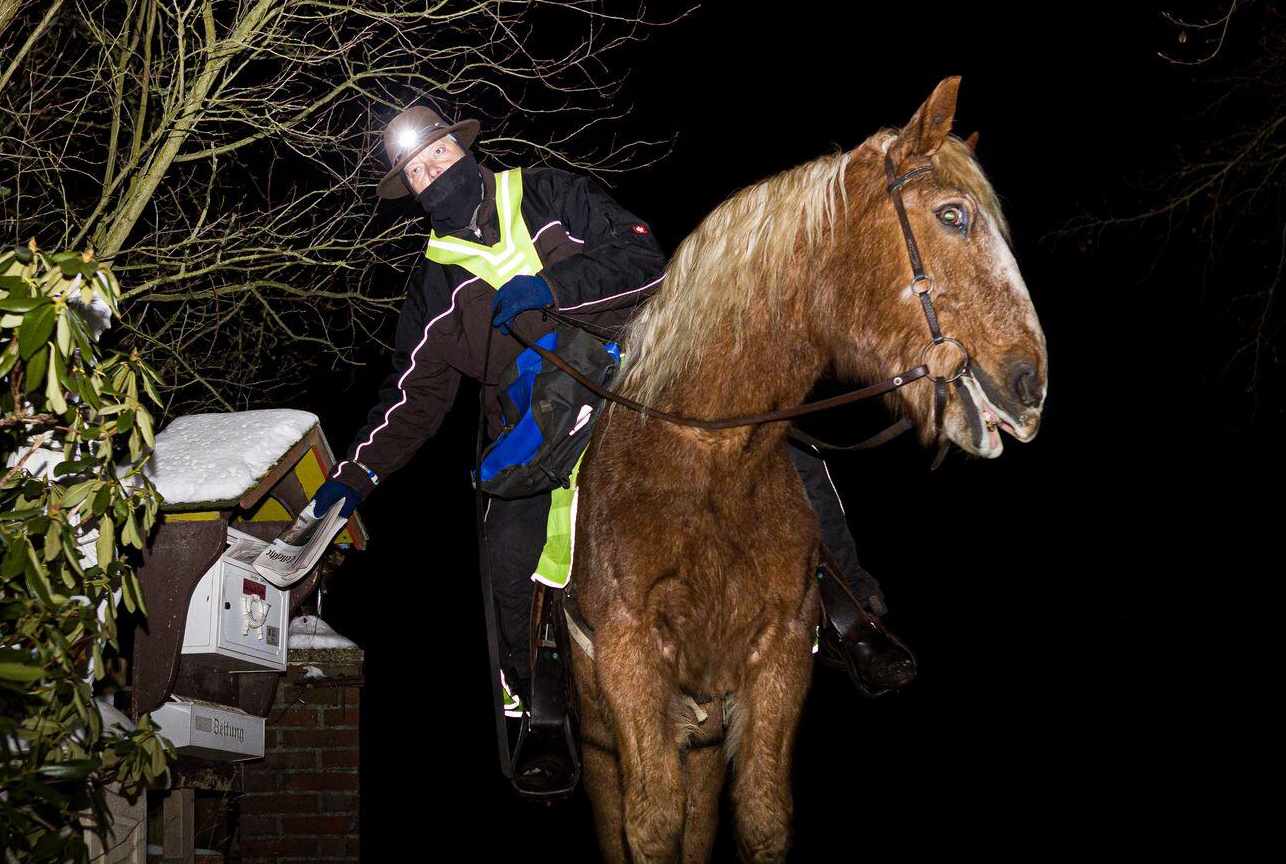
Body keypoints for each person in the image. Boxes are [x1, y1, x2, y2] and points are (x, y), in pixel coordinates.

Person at [313, 104, 916, 794]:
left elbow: (642, 257)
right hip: (541, 421)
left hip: (639, 366)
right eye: (419, 172)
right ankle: (540, 707)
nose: (434, 173)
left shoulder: (548, 192)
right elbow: (412, 397)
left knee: (770, 434)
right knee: (508, 546)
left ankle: (850, 615)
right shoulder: (433, 285)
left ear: (462, 148)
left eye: (438, 156)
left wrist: (551, 289)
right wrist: (354, 476)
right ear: (411, 190)